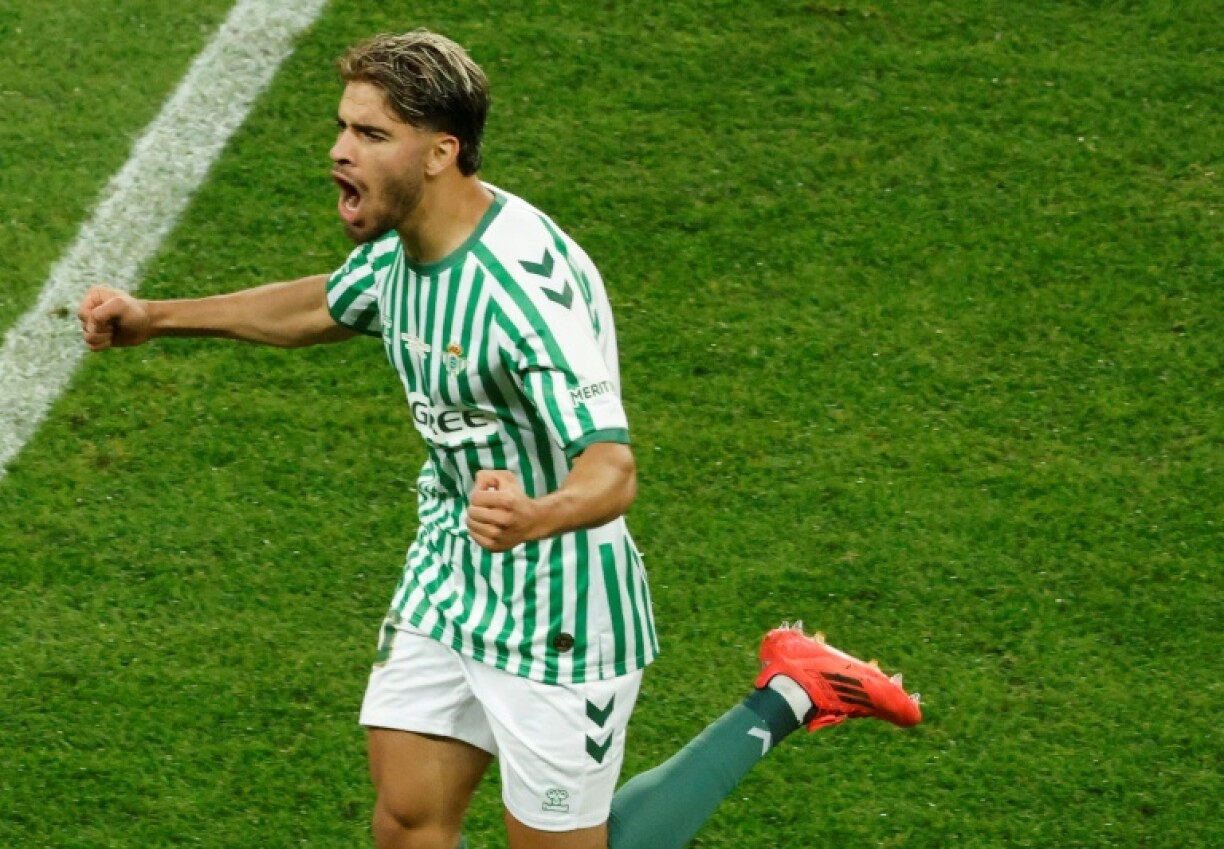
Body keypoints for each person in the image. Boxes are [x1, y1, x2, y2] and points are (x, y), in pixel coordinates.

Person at [77, 30, 921, 849]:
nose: (340, 150)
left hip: (559, 602)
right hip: (451, 561)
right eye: (342, 126)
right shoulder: (406, 245)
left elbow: (612, 470)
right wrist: (157, 318)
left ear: (440, 152)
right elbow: (327, 303)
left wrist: (533, 515)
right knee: (407, 819)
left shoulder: (520, 295)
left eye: (370, 134)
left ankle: (788, 694)